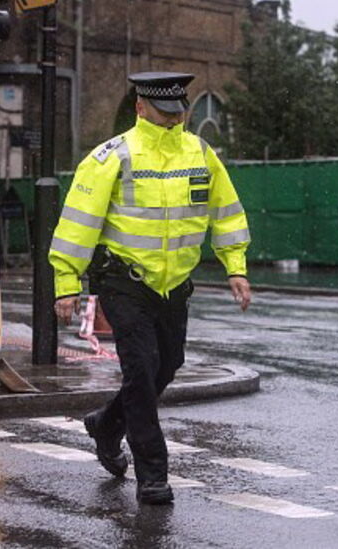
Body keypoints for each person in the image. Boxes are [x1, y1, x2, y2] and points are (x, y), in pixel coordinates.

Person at [49, 71, 252, 505]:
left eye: (178, 113)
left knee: (168, 364)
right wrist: (66, 282)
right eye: (164, 114)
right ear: (141, 108)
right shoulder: (112, 157)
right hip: (125, 281)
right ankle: (153, 474)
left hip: (174, 285)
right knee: (140, 372)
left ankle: (106, 423)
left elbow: (227, 212)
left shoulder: (200, 153)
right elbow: (77, 225)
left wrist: (236, 267)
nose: (173, 121)